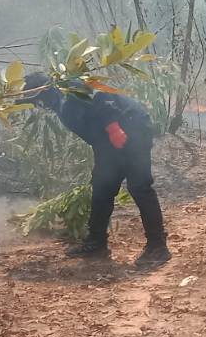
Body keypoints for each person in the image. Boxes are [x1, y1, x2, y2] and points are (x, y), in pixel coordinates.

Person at [24, 72, 172, 269]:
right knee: (102, 189)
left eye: (37, 100)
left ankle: (158, 246)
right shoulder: (60, 102)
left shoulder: (69, 87)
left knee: (140, 187)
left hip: (130, 130)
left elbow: (101, 96)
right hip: (107, 144)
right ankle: (96, 243)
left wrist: (113, 128)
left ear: (45, 92)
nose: (37, 105)